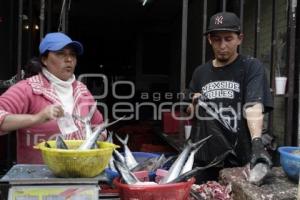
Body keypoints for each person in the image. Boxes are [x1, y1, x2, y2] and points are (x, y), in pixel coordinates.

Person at [184, 12, 273, 182]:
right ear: (209, 40)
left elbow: (254, 105)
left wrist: (257, 142)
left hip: (241, 155)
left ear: (240, 38)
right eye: (216, 39)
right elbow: (190, 112)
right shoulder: (200, 73)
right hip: (205, 158)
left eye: (228, 39)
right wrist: (195, 102)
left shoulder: (251, 67)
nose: (222, 45)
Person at [0, 32, 106, 164]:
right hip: (38, 178)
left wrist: (93, 143)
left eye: (72, 54)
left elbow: (99, 125)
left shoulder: (82, 90)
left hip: (81, 172)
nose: (69, 59)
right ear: (44, 60)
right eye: (61, 54)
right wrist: (37, 118)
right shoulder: (28, 89)